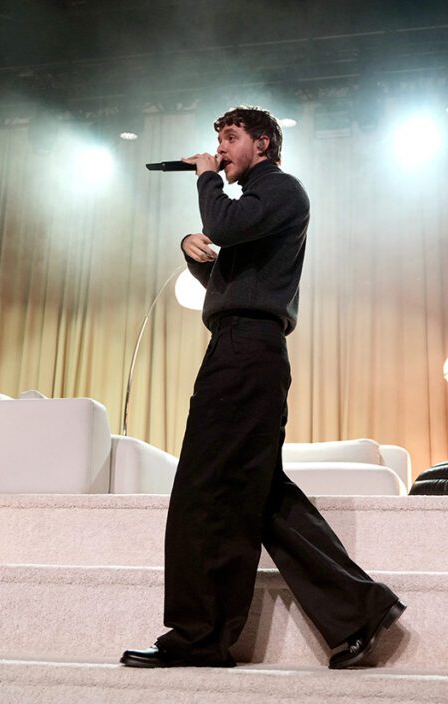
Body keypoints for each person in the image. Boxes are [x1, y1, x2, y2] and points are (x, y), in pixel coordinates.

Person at [121, 106, 404, 670]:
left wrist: (204, 177)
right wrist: (189, 250)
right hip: (237, 343)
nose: (220, 149)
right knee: (257, 491)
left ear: (264, 143)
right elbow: (230, 277)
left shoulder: (281, 191)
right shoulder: (255, 207)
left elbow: (223, 229)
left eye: (230, 139)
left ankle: (201, 637)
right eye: (216, 141)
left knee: (207, 489)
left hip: (248, 350)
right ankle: (357, 612)